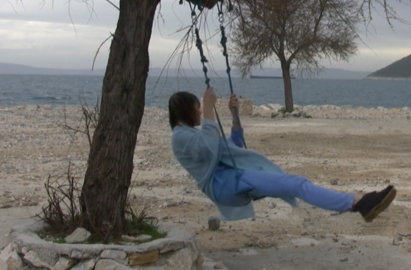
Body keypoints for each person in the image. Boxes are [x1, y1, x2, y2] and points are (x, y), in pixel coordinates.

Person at [168, 87, 396, 222]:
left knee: (295, 184)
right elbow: (209, 146)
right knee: (296, 184)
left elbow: (232, 145)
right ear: (186, 111)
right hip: (224, 186)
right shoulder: (179, 137)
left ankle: (357, 203)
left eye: (201, 109)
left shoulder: (191, 135)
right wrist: (210, 106)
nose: (200, 113)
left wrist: (234, 114)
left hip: (234, 179)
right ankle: (357, 203)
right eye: (197, 109)